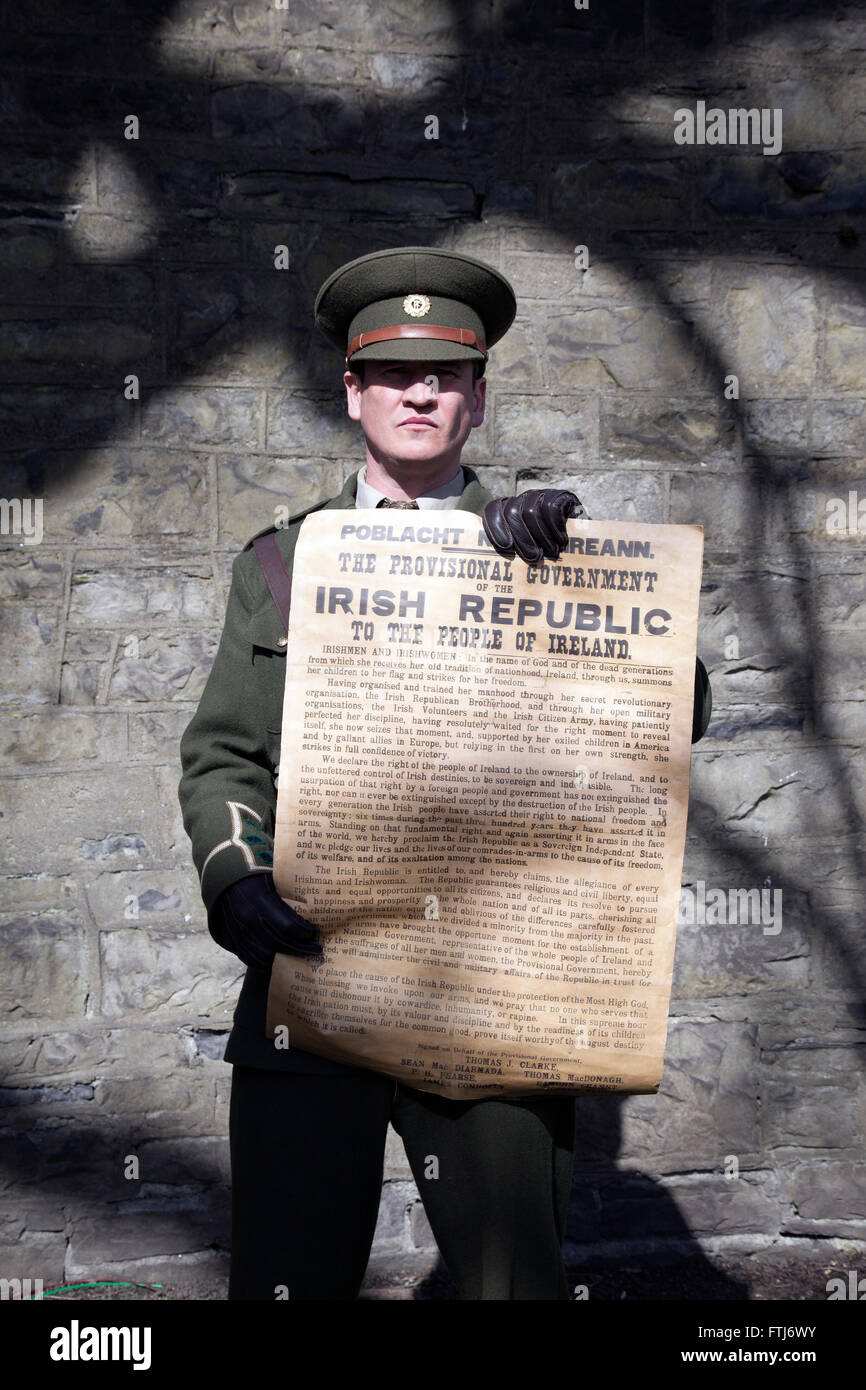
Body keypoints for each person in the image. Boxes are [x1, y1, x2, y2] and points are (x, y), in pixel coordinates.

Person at [178, 246, 712, 1301]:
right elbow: (224, 752)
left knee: (508, 1280)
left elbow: (672, 717)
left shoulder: (549, 549)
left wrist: (583, 576)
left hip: (498, 983)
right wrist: (235, 877)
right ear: (351, 392)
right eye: (392, 372)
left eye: (446, 374)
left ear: (476, 397)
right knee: (288, 1274)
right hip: (316, 970)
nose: (418, 390)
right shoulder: (283, 562)